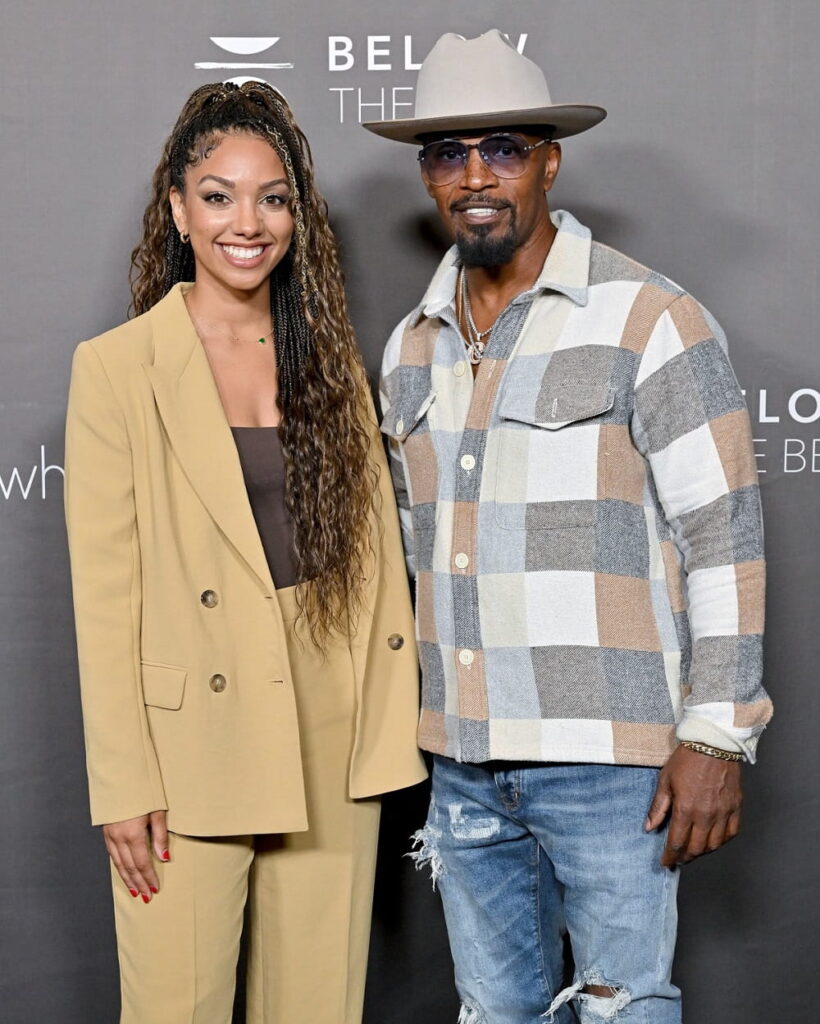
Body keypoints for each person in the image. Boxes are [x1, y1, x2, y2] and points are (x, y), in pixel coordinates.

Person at [366, 30, 771, 1024]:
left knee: (623, 1007)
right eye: (447, 152)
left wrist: (717, 734)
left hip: (612, 764)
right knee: (492, 1012)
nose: (473, 176)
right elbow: (411, 558)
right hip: (460, 760)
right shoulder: (409, 347)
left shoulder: (648, 317)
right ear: (425, 172)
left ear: (549, 159)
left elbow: (722, 533)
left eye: (501, 147)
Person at [64, 80, 426, 1024]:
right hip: (188, 745)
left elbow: (375, 562)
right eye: (219, 195)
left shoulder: (332, 358)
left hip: (329, 719)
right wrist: (125, 782)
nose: (247, 221)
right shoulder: (116, 368)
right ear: (179, 210)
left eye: (272, 197)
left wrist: (385, 729)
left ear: (295, 216)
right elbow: (105, 595)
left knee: (316, 1008)